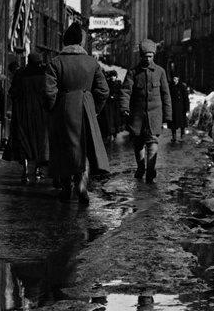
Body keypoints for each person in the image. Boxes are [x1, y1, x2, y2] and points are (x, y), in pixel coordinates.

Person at [43, 22, 110, 203]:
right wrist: (94, 109)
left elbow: (49, 92)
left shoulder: (56, 62)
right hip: (86, 108)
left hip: (63, 109)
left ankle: (66, 187)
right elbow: (104, 91)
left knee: (64, 149)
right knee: (84, 149)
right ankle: (82, 183)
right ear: (81, 42)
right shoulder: (92, 63)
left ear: (65, 41)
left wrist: (52, 110)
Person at [119, 39, 171, 183]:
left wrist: (168, 115)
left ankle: (150, 170)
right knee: (138, 144)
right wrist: (124, 108)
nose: (148, 59)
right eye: (145, 56)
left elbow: (166, 94)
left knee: (153, 142)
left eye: (150, 56)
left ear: (154, 56)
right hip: (137, 116)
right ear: (140, 56)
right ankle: (141, 167)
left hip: (154, 116)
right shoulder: (133, 73)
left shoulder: (160, 72)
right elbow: (125, 92)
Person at [8, 52, 50, 184]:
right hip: (40, 111)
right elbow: (48, 93)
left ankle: (25, 170)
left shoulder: (20, 75)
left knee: (23, 139)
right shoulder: (44, 76)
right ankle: (37, 169)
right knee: (38, 140)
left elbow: (13, 93)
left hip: (23, 110)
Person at [168, 73, 190, 144]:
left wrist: (187, 108)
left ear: (178, 78)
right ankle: (173, 136)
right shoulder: (170, 86)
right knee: (172, 123)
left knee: (182, 122)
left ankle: (182, 132)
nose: (174, 80)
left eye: (176, 78)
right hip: (173, 107)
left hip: (181, 107)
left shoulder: (182, 87)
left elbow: (186, 98)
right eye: (173, 78)